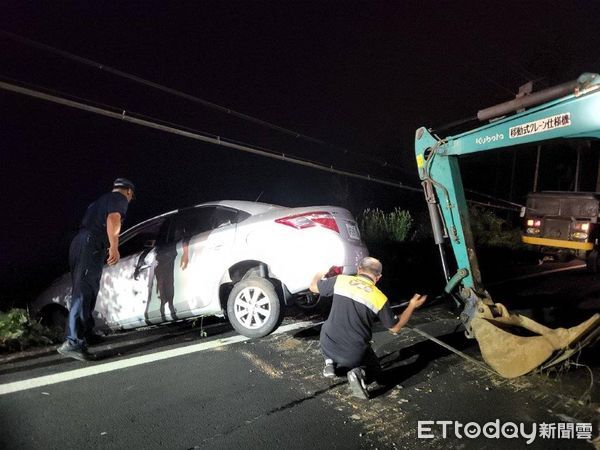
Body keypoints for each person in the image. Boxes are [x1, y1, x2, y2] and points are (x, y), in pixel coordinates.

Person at [309, 256, 427, 399]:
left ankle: (330, 363)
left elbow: (313, 287)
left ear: (359, 269)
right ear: (378, 277)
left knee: (332, 331)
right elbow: (395, 328)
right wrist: (412, 305)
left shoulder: (342, 280)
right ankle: (360, 374)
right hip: (353, 352)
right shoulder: (379, 298)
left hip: (326, 342)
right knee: (375, 369)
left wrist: (322, 269)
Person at [57, 178, 135, 361]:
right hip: (90, 243)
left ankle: (86, 333)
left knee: (88, 290)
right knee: (83, 292)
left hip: (82, 243)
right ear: (129, 192)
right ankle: (72, 341)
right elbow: (113, 218)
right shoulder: (119, 198)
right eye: (131, 197)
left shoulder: (98, 202)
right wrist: (114, 246)